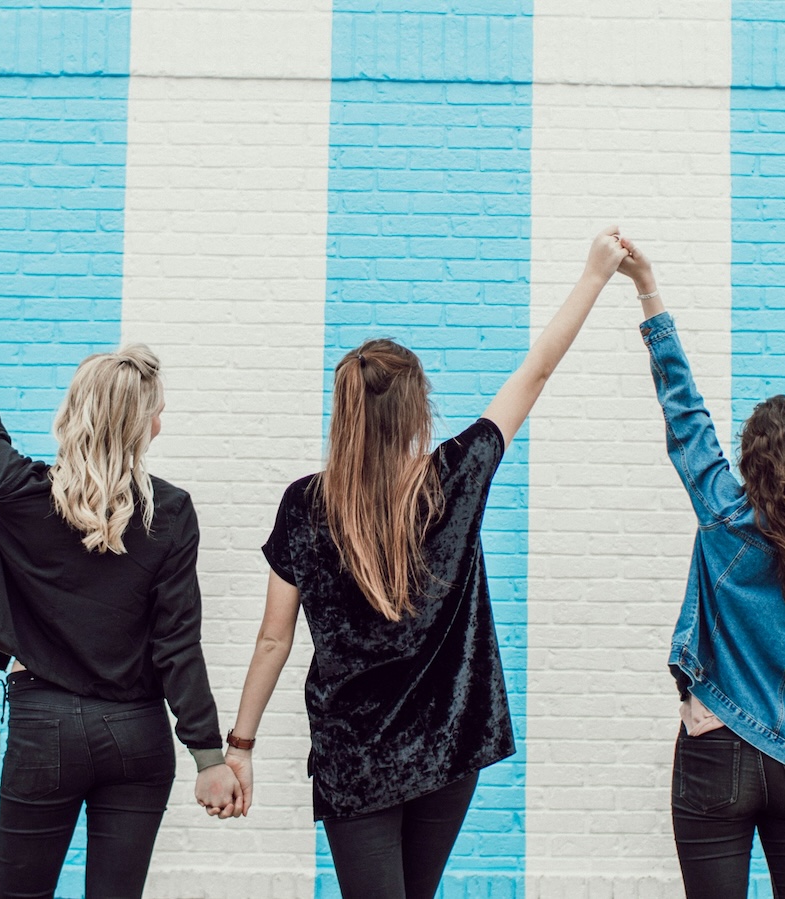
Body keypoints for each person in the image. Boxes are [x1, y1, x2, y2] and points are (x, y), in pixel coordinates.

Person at [210, 227, 630, 899]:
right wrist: (594, 275)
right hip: (446, 751)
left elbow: (273, 637)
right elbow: (537, 371)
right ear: (416, 409)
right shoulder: (454, 478)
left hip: (355, 760)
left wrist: (241, 745)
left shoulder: (305, 505)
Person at [0, 239, 241, 899]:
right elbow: (177, 645)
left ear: (74, 414)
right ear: (148, 427)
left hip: (44, 727)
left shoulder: (16, 491)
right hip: (137, 735)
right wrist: (209, 757)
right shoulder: (173, 512)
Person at [610, 236, 785, 896]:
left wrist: (648, 287)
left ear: (752, 464)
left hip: (714, 746)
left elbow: (684, 411)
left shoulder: (722, 513)